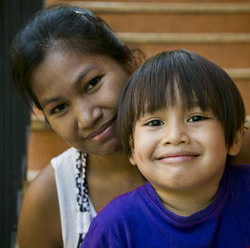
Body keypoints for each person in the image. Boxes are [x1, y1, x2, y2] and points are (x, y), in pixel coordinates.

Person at [81, 50, 250, 247]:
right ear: (132, 148)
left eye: (196, 118)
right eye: (154, 122)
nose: (175, 137)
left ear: (235, 138)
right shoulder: (114, 229)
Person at [10, 5, 146, 248]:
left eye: (92, 83)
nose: (86, 118)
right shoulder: (49, 201)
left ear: (126, 62)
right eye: (59, 108)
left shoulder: (208, 146)